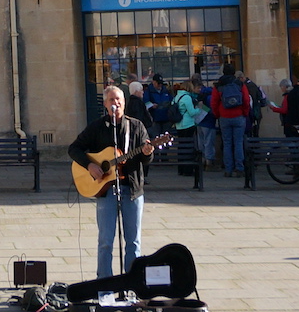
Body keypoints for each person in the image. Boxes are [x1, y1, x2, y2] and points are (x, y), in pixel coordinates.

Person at [68, 84, 155, 278]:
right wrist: (90, 165)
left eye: (119, 100)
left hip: (132, 190)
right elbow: (74, 149)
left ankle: (132, 283)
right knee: (106, 241)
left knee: (133, 242)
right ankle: (104, 284)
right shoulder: (97, 127)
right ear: (106, 104)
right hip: (106, 191)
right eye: (111, 100)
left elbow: (146, 159)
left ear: (124, 103)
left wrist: (148, 152)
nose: (116, 103)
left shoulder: (136, 126)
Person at [210, 68, 251, 178]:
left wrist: (217, 114)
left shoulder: (218, 85)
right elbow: (246, 100)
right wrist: (245, 112)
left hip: (224, 116)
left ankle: (228, 169)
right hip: (238, 115)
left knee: (227, 143)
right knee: (238, 143)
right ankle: (239, 168)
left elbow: (214, 103)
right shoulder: (239, 84)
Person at [171, 80, 205, 175]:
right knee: (188, 147)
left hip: (179, 125)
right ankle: (188, 169)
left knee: (181, 147)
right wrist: (199, 109)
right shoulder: (187, 97)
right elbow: (192, 112)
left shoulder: (177, 97)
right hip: (188, 124)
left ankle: (181, 169)